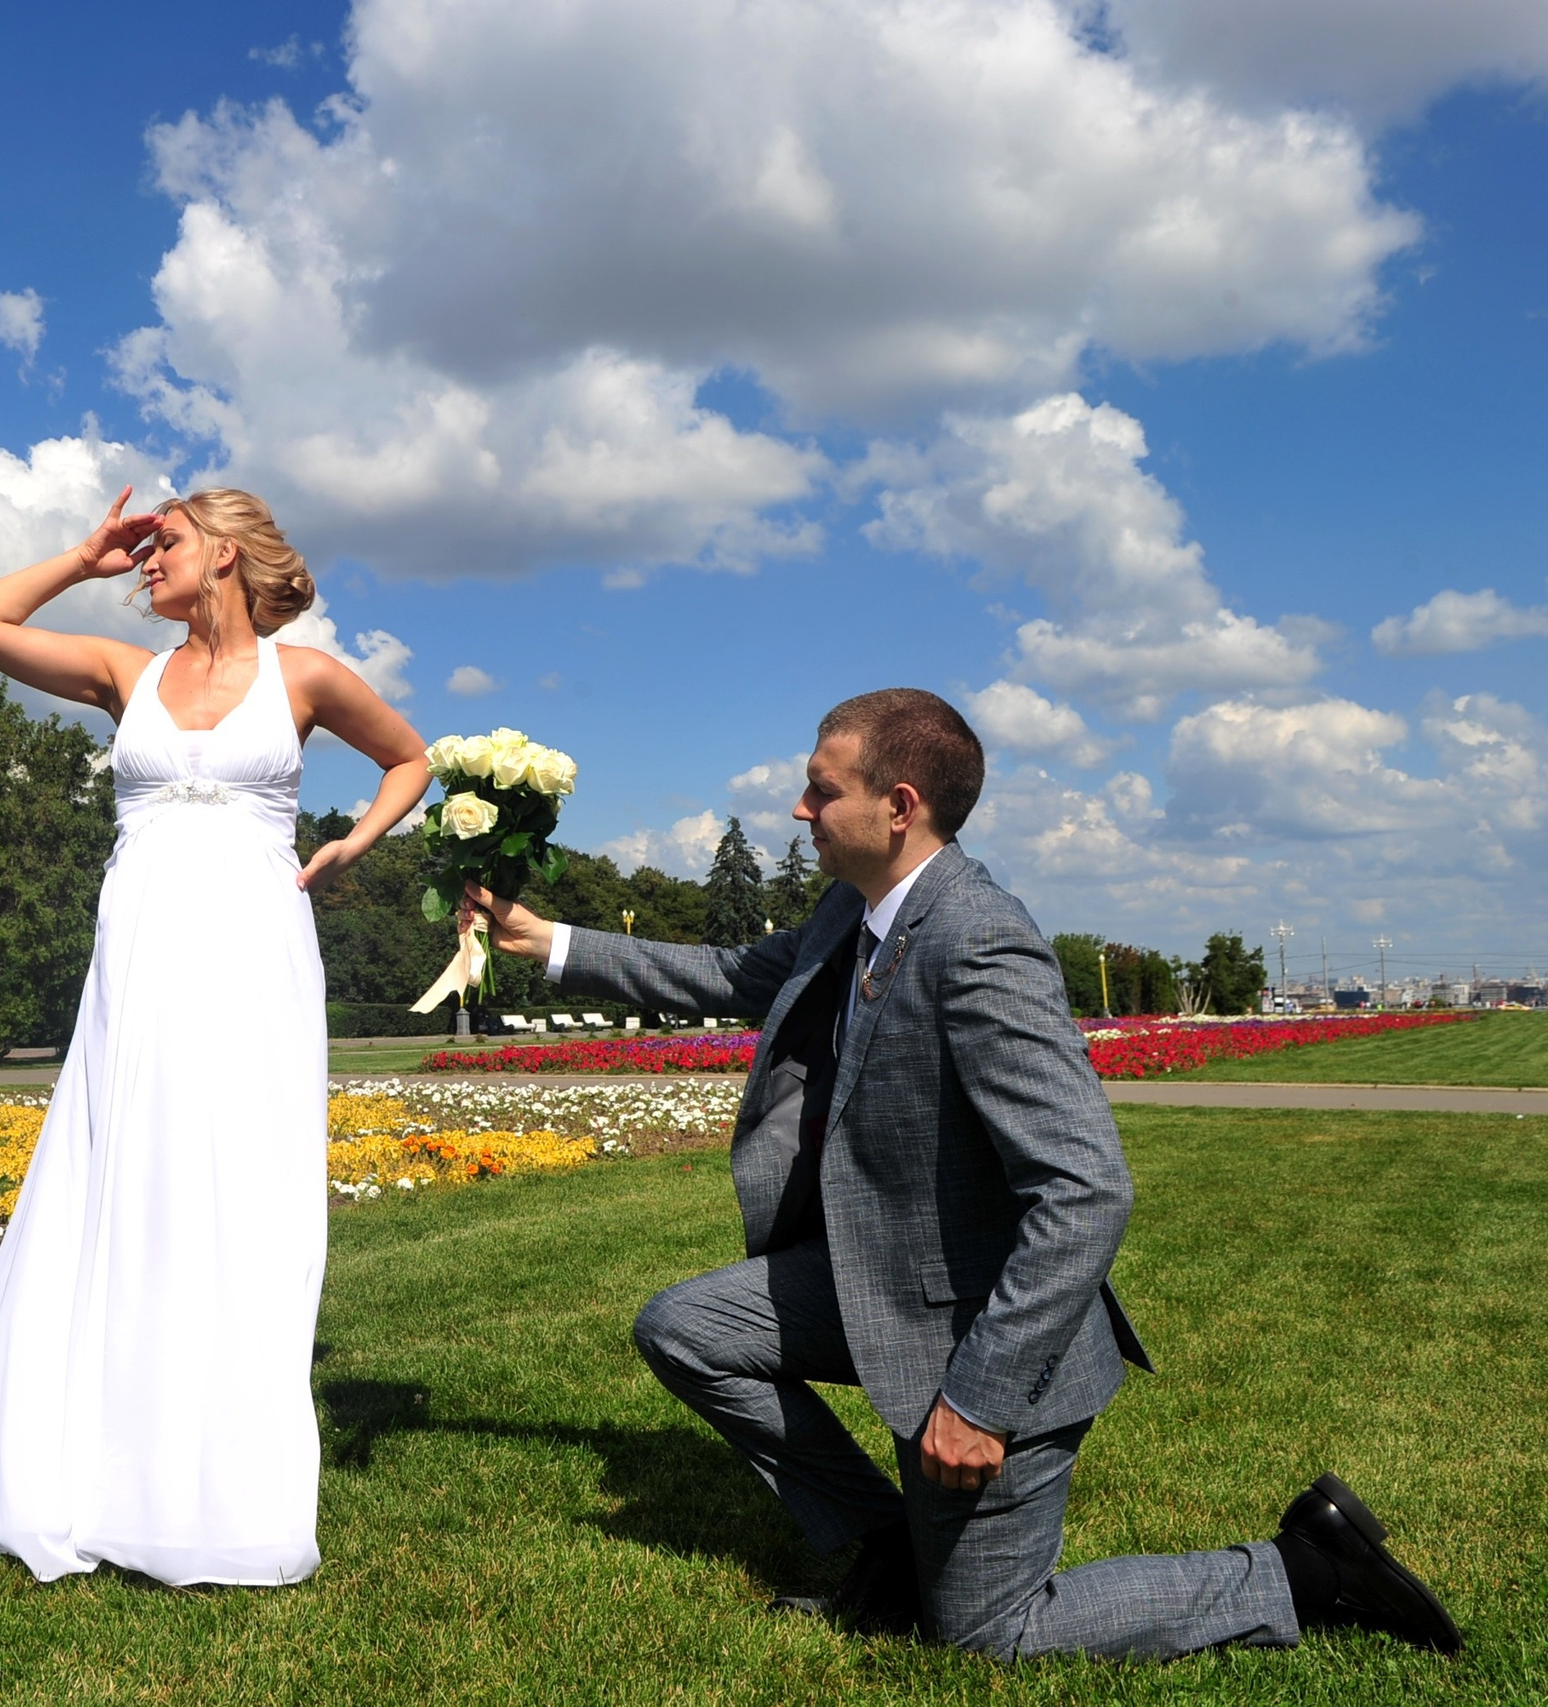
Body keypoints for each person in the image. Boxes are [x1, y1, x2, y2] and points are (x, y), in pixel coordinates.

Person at [465, 688, 1460, 1661]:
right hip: (885, 1285)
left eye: (820, 791)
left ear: (898, 806)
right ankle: (891, 1540)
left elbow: (1084, 1188)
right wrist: (542, 941)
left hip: (987, 1336)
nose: (799, 812)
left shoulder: (976, 937)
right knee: (685, 1330)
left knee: (990, 1633)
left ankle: (1297, 1571)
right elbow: (735, 975)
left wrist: (979, 1401)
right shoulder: (850, 915)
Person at [0, 486, 431, 1585]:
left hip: (255, 949)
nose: (146, 561)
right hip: (138, 953)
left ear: (226, 557)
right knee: (119, 1169)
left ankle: (213, 1468)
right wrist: (78, 557)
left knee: (237, 1179)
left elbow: (409, 761)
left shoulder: (307, 677)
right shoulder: (121, 674)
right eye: (139, 548)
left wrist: (352, 848)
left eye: (164, 543)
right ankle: (93, 1457)